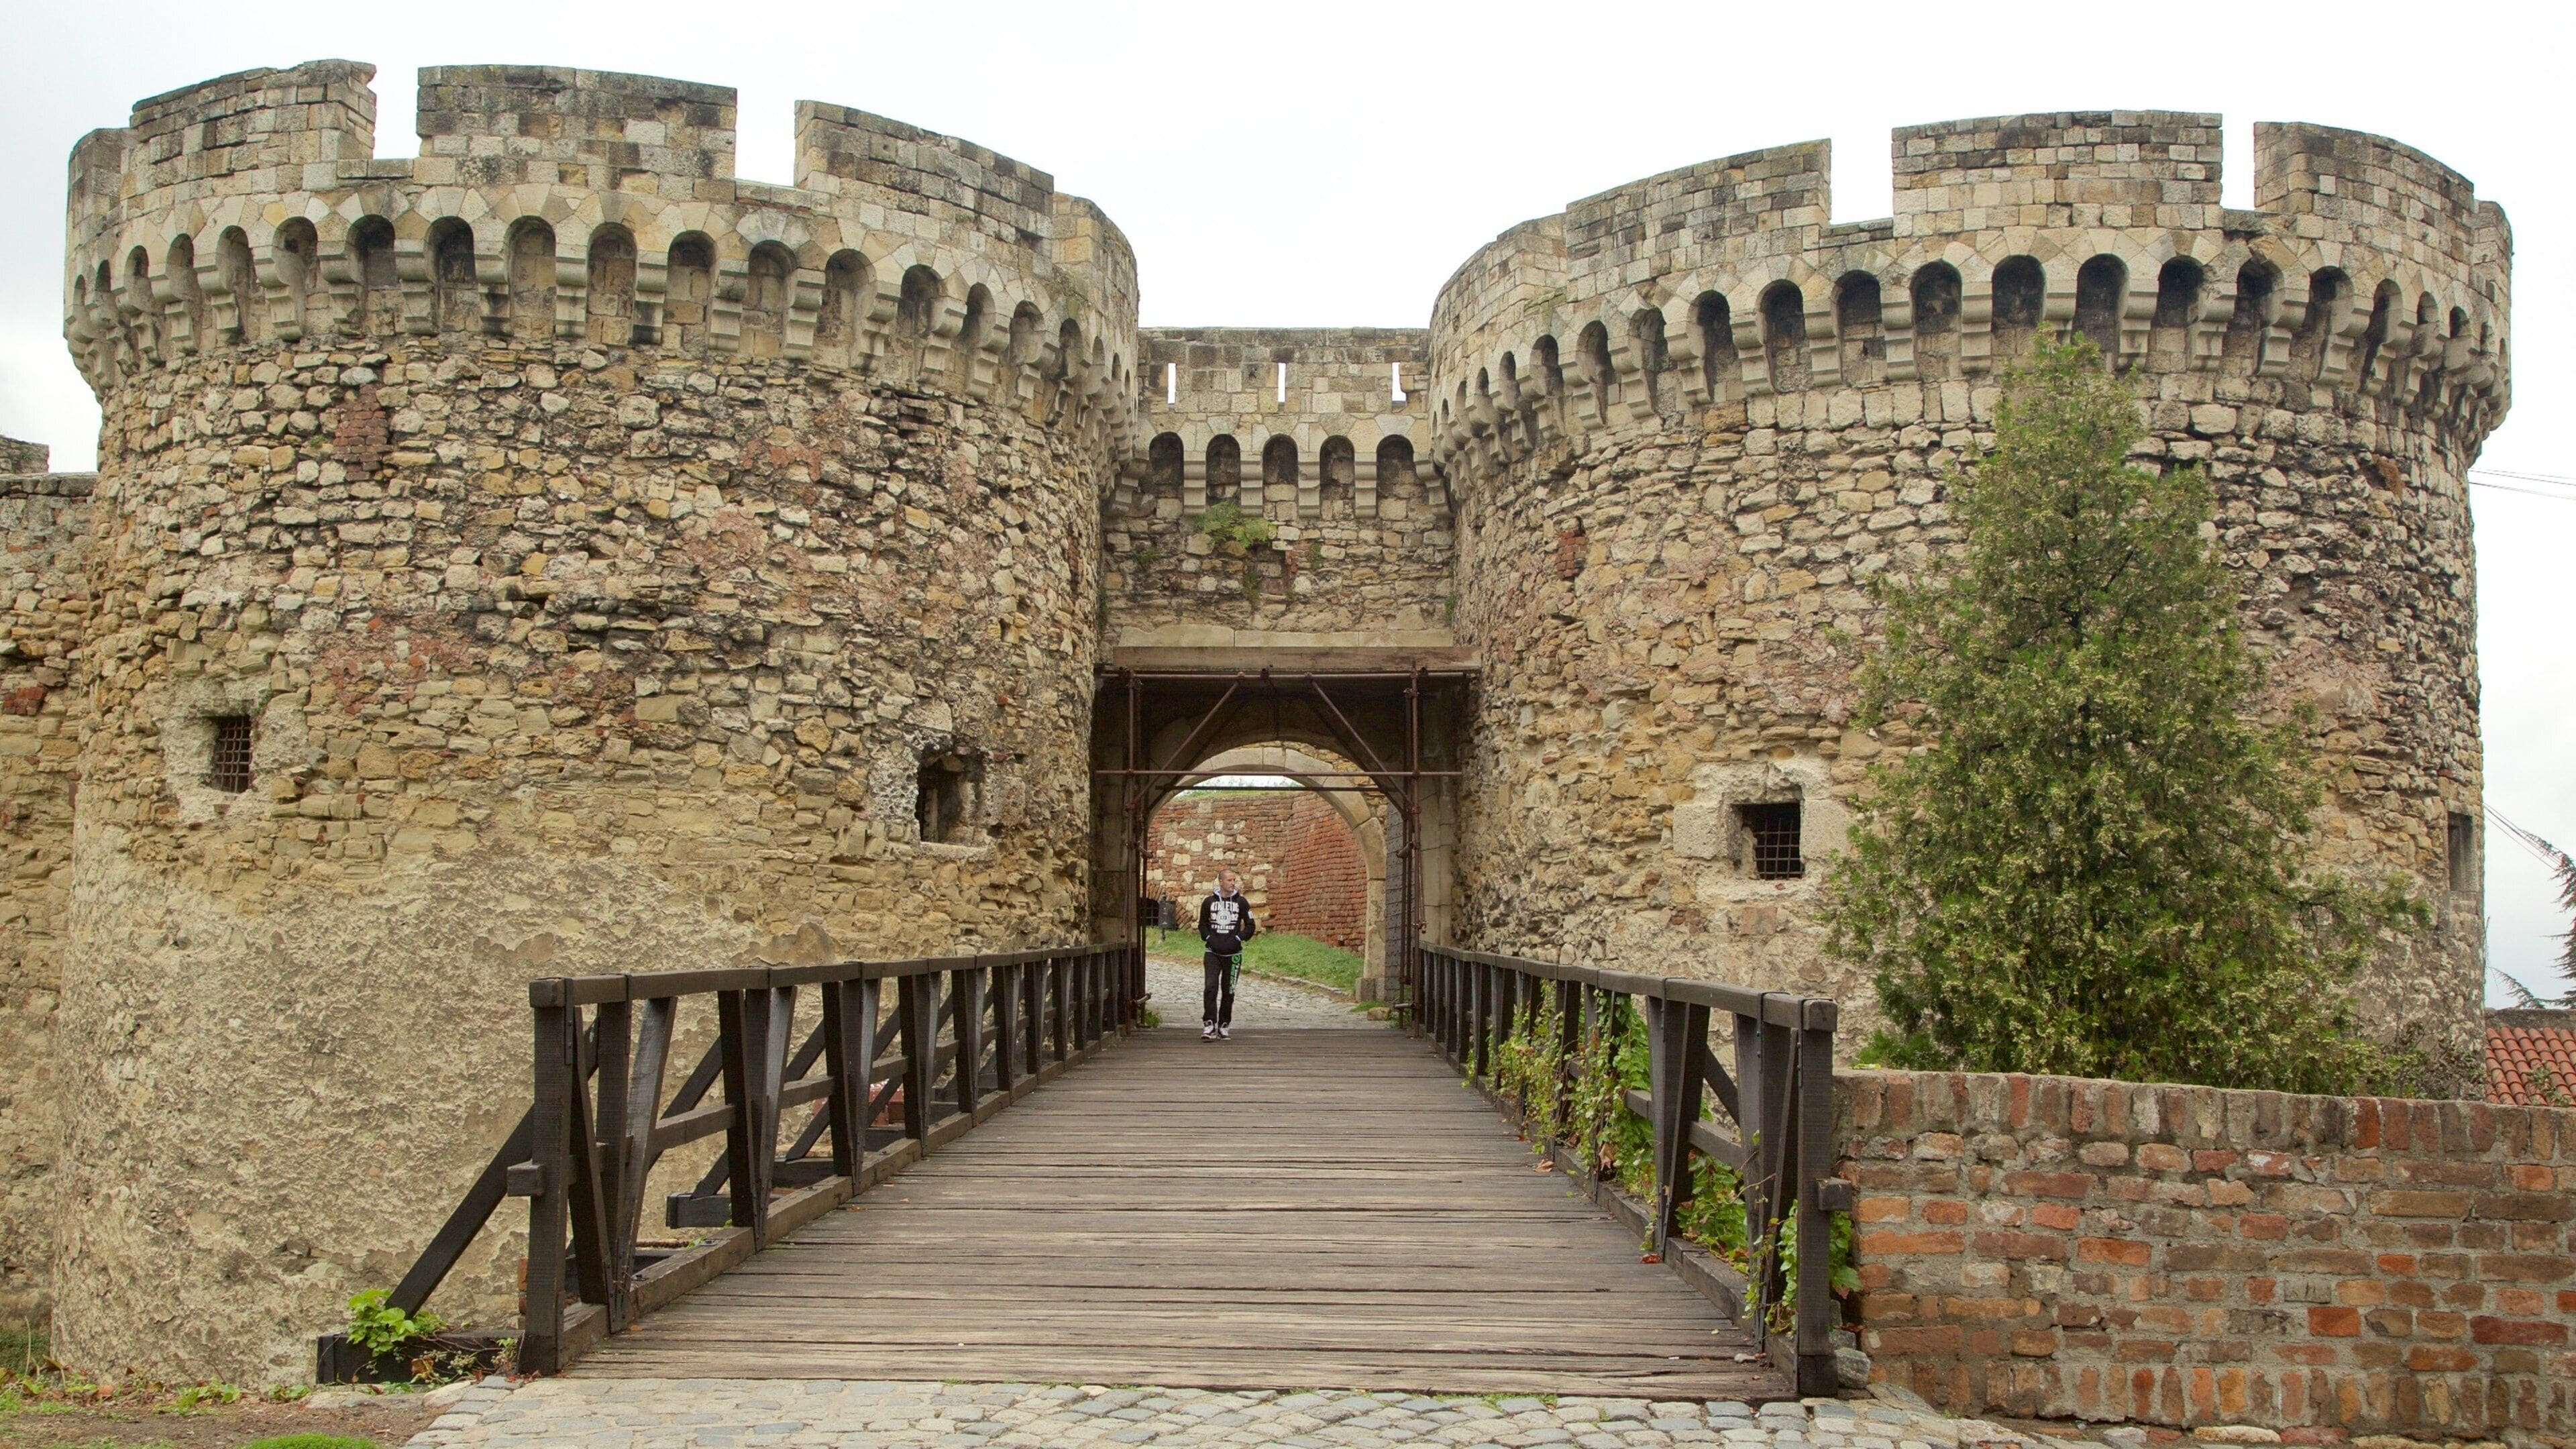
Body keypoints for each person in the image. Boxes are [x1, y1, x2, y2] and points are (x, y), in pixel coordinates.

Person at [1196, 868, 1257, 1040]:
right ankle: (1209, 1024)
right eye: (1229, 880)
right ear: (1221, 882)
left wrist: (1238, 938)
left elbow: (1251, 925)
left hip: (1234, 954)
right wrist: (1209, 938)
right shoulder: (1208, 902)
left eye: (1234, 880)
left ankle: (1224, 1025)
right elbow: (1202, 924)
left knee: (1228, 990)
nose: (1233, 883)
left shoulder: (1242, 902)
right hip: (1212, 953)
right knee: (1210, 987)